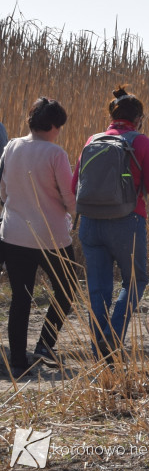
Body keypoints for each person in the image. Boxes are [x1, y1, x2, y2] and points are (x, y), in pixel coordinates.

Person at [73, 86, 149, 359]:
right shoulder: (140, 141)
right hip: (127, 221)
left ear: (112, 115)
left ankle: (98, 351)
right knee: (136, 280)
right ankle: (112, 338)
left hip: (89, 222)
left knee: (98, 288)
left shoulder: (92, 140)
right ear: (138, 118)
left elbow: (73, 184)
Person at [0, 98, 78, 377]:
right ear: (54, 125)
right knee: (67, 289)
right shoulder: (55, 154)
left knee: (20, 299)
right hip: (51, 236)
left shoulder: (11, 146)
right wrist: (75, 211)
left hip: (13, 234)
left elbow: (3, 192)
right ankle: (45, 344)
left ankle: (19, 363)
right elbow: (70, 198)